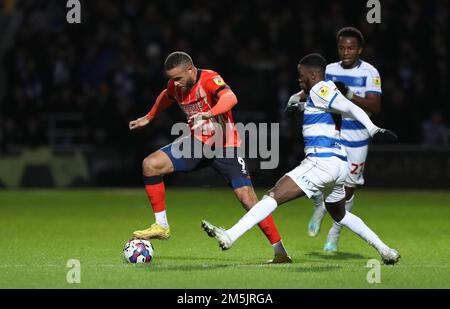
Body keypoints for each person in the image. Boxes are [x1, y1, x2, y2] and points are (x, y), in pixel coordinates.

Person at [201, 53, 400, 265]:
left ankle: (230, 235)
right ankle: (385, 250)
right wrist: (295, 105)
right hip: (339, 164)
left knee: (272, 196)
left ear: (313, 74)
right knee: (340, 215)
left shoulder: (321, 89)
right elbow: (306, 102)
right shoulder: (317, 93)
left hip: (321, 162)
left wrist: (372, 129)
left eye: (301, 74)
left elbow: (349, 106)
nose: (298, 78)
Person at [129, 51, 291, 263]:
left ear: (190, 69)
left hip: (225, 145)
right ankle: (162, 226)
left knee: (248, 199)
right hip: (196, 144)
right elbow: (166, 96)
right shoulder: (175, 85)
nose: (175, 84)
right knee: (150, 165)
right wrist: (149, 117)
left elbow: (231, 97)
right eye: (171, 79)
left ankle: (280, 252)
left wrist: (209, 113)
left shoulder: (209, 78)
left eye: (178, 78)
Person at [302, 27, 384, 252]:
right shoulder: (328, 70)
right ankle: (319, 207)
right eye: (341, 47)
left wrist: (348, 94)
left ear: (360, 49)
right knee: (317, 177)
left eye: (350, 48)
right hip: (332, 135)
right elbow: (311, 94)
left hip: (357, 139)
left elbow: (375, 107)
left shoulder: (370, 72)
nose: (345, 52)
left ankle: (334, 235)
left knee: (347, 191)